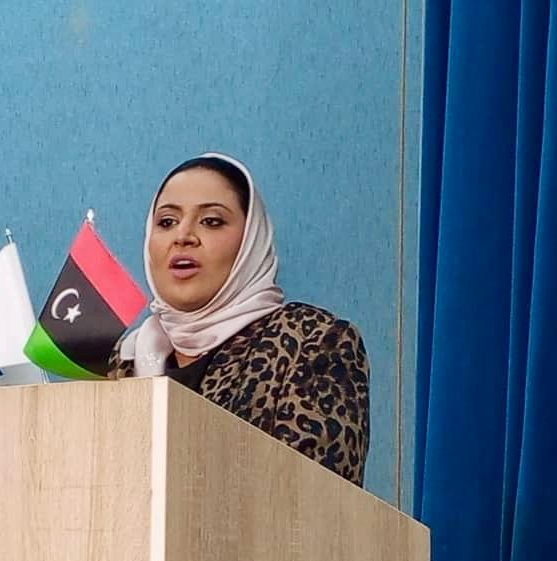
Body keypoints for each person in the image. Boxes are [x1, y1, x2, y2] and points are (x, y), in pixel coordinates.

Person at [111, 152, 369, 486]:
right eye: (167, 222)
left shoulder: (312, 341)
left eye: (211, 221)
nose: (183, 236)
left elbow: (314, 498)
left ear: (251, 241)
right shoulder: (125, 361)